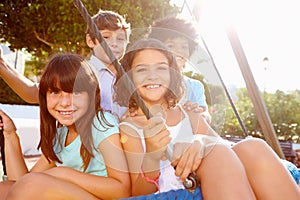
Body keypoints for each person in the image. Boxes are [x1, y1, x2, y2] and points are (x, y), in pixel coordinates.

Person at [114, 38, 300, 199]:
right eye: (141, 70)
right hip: (177, 186)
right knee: (215, 152)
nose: (152, 75)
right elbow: (138, 192)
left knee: (253, 146)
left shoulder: (188, 114)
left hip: (217, 174)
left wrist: (200, 141)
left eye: (161, 68)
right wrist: (152, 156)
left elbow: (226, 150)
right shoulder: (131, 126)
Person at [0, 53, 130, 199]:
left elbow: (122, 189)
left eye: (75, 92)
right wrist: (10, 134)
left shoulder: (102, 123)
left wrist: (63, 173)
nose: (65, 102)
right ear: (45, 97)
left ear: (92, 94)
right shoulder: (61, 136)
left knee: (33, 184)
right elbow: (20, 184)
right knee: (5, 189)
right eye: (55, 92)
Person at [0, 9, 130, 118]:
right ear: (90, 41)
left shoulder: (129, 76)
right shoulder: (80, 70)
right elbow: (33, 92)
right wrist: (2, 65)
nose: (114, 43)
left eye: (120, 39)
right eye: (106, 37)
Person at [147, 15, 210, 122]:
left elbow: (206, 117)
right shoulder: (149, 82)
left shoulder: (195, 86)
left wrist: (199, 113)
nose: (179, 51)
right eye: (171, 46)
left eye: (184, 47)